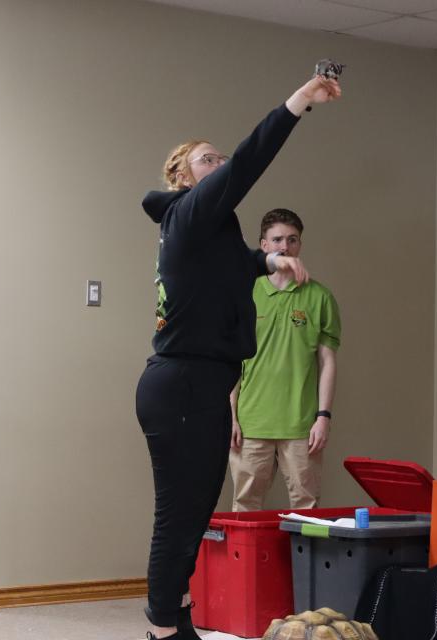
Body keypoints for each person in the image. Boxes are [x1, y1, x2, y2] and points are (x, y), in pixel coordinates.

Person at [135, 74, 341, 640]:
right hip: (182, 382)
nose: (221, 162)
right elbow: (251, 160)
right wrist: (297, 103)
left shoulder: (205, 230)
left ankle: (179, 618)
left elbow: (230, 264)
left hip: (200, 381)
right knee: (178, 514)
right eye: (208, 159)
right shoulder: (190, 211)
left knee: (197, 511)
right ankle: (161, 629)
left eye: (220, 156)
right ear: (183, 177)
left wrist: (268, 261)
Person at [229, 208, 341, 511]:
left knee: (307, 510)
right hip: (251, 424)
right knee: (245, 508)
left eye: (292, 239)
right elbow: (232, 362)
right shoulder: (245, 293)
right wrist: (231, 417)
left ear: (300, 245)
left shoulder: (320, 297)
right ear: (263, 245)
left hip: (301, 426)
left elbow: (327, 363)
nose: (285, 246)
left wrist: (323, 417)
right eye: (277, 239)